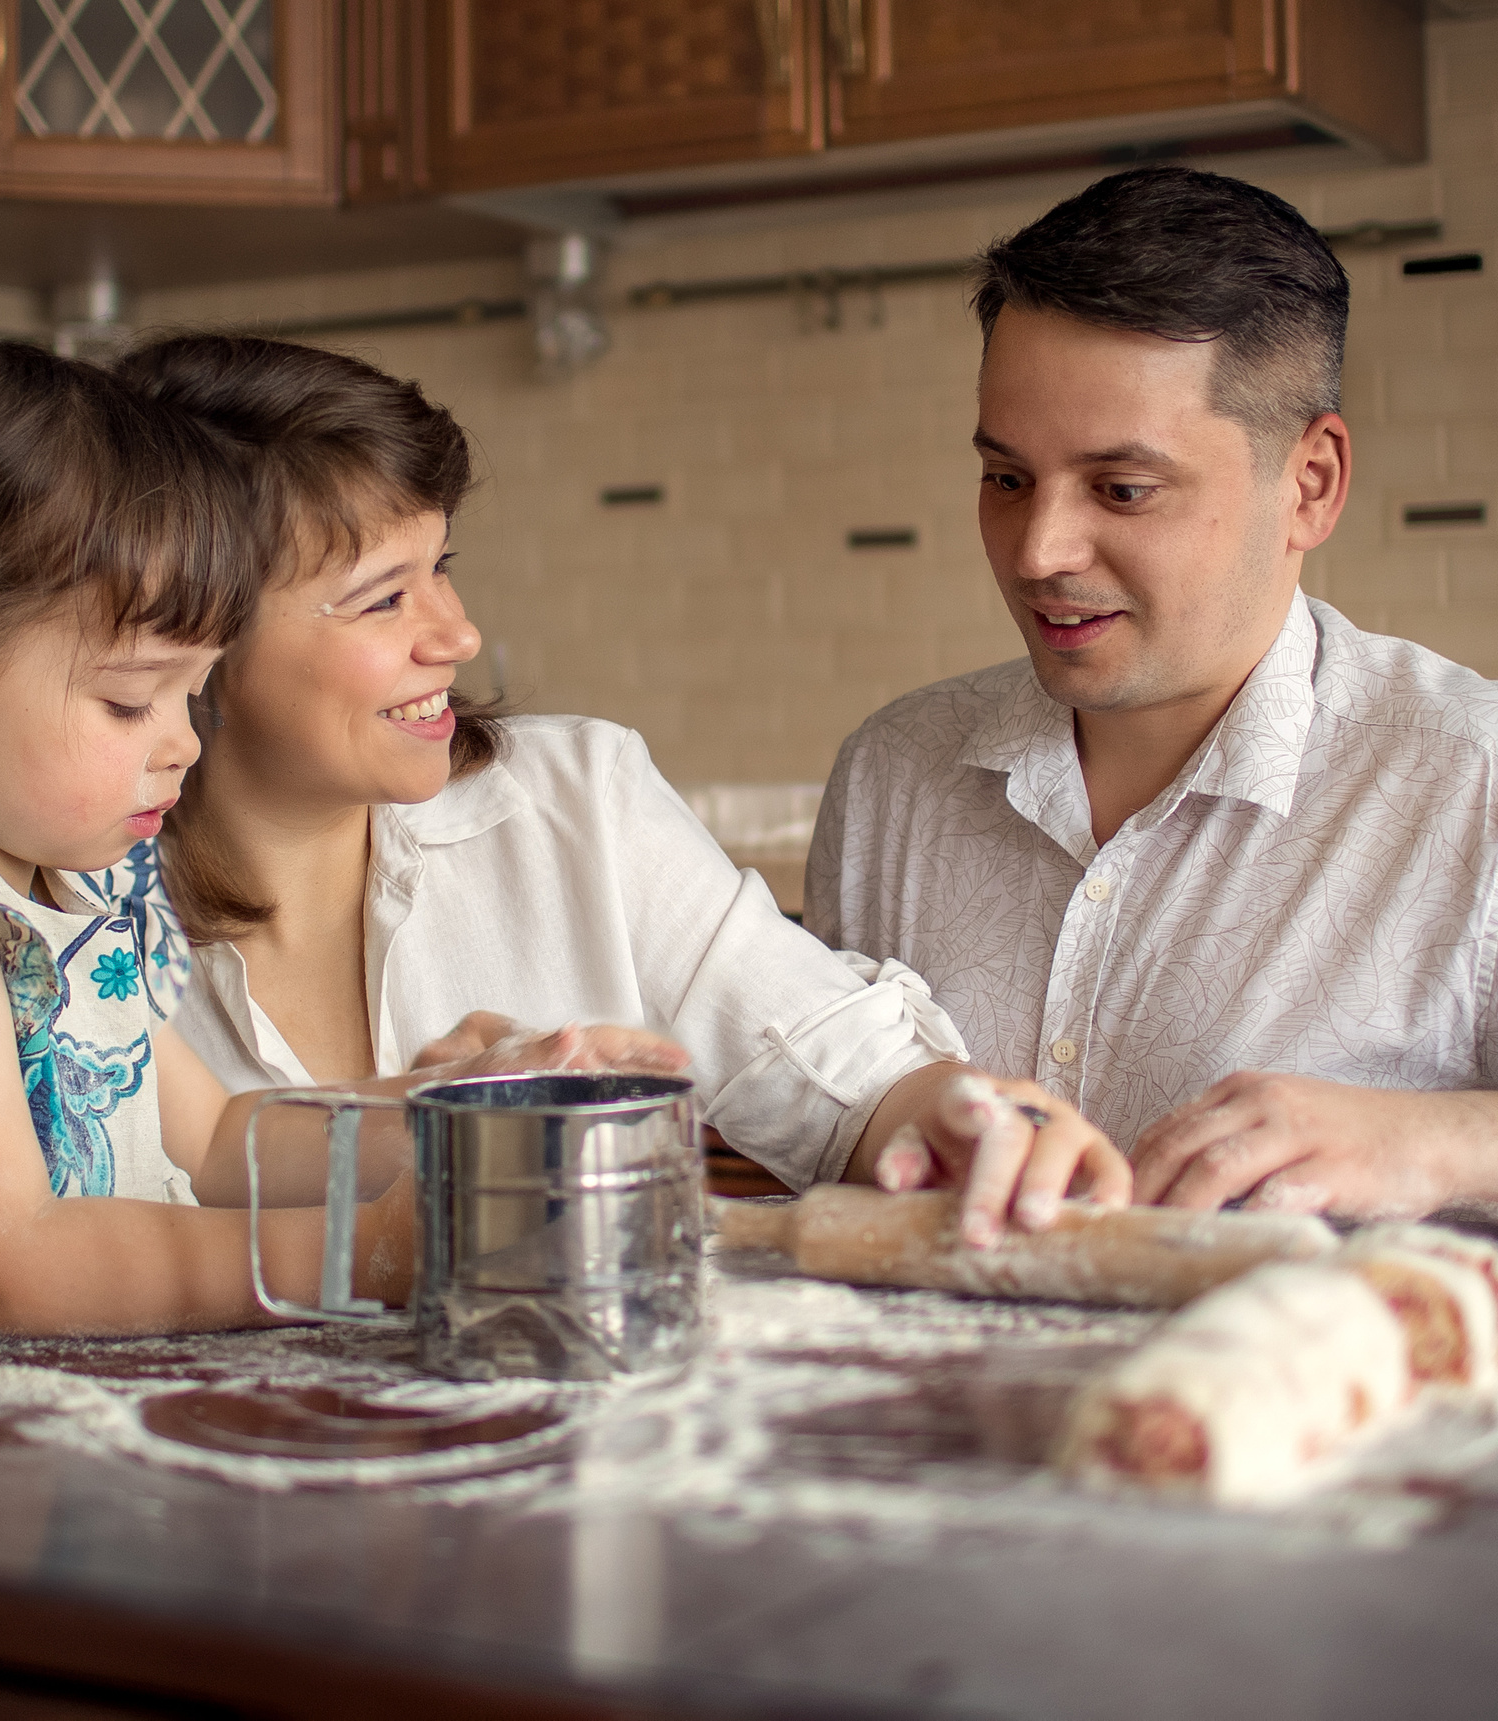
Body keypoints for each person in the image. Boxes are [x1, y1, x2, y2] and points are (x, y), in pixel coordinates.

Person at [0, 342, 671, 1721]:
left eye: (191, 692)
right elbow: (10, 1262)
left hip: (29, 1464)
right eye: (133, 700)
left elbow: (226, 1133)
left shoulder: (70, 887)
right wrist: (358, 1256)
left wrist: (444, 1113)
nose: (181, 744)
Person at [807, 167, 1498, 1246]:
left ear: (1310, 483)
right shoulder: (894, 774)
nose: (1040, 549)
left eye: (1123, 489)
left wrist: (1443, 1139)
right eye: (1006, 477)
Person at [108, 334, 1126, 1239]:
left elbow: (846, 1084)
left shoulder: (576, 800)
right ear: (192, 643)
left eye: (442, 567)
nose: (455, 633)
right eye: (383, 598)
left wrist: (957, 1119)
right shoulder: (58, 903)